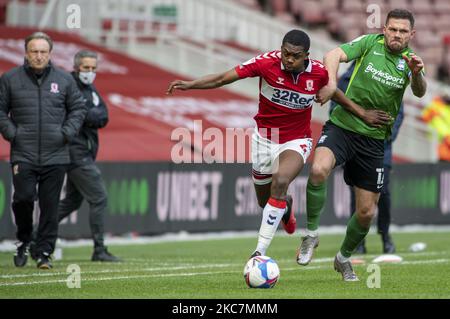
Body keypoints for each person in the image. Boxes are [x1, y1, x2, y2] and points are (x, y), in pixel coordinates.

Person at [167, 29, 381, 259]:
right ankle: (286, 207)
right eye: (285, 53)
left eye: (295, 56)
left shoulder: (318, 73)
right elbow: (222, 78)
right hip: (264, 139)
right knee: (264, 200)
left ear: (306, 56)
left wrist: (362, 113)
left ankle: (259, 252)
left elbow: (335, 93)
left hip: (297, 140)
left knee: (280, 181)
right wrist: (190, 85)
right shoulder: (265, 63)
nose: (288, 59)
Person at [298, 9, 427, 281]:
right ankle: (310, 235)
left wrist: (417, 73)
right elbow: (333, 55)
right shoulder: (369, 44)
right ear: (384, 29)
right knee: (319, 170)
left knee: (367, 212)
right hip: (343, 127)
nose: (397, 35)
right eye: (392, 29)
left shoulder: (412, 62)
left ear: (411, 35)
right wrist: (332, 84)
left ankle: (343, 258)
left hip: (374, 140)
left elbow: (420, 90)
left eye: (403, 31)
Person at [0, 32, 87, 269]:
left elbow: (78, 109)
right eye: (34, 51)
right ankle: (24, 239)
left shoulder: (65, 80)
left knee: (49, 206)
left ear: (50, 54)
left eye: (43, 52)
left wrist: (66, 133)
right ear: (26, 53)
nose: (39, 56)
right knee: (23, 199)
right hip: (23, 153)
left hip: (56, 154)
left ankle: (44, 252)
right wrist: (12, 133)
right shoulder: (9, 79)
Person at [329, 62, 405, 254]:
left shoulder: (388, 74)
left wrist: (387, 135)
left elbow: (399, 111)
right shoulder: (347, 79)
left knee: (384, 193)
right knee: (356, 196)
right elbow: (334, 107)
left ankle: (385, 235)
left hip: (381, 146)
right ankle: (358, 241)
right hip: (354, 145)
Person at [57, 50, 120, 262]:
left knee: (72, 202)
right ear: (76, 67)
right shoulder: (70, 86)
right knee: (99, 197)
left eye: (94, 68)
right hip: (76, 152)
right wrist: (89, 114)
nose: (90, 72)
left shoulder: (90, 89)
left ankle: (35, 235)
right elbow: (83, 114)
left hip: (84, 152)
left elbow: (103, 115)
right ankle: (99, 249)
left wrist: (89, 114)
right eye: (86, 68)